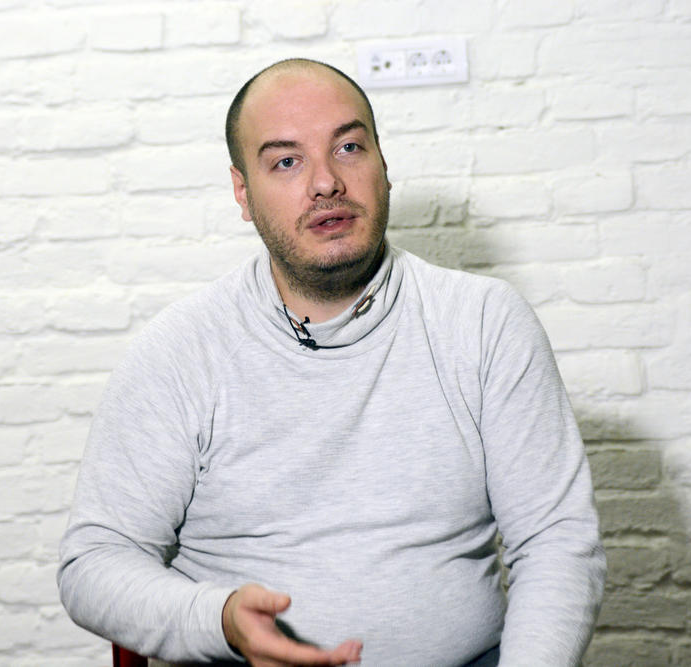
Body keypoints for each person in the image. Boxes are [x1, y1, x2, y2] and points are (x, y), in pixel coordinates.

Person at [58, 58, 605, 667]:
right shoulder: (181, 350)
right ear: (243, 192)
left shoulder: (484, 322)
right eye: (286, 161)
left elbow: (556, 543)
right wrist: (220, 620)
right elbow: (94, 563)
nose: (325, 182)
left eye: (348, 147)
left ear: (383, 164)